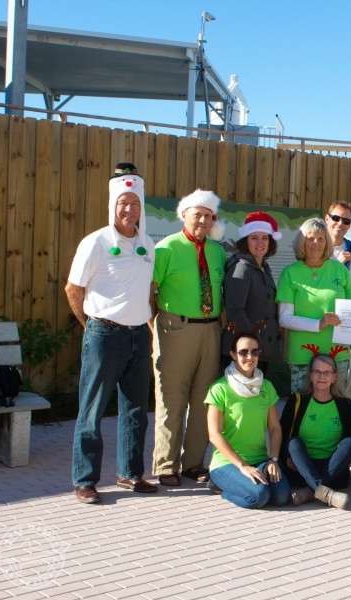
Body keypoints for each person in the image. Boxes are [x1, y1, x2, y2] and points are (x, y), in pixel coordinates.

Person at [65, 163, 157, 504]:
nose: (129, 209)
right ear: (113, 206)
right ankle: (85, 479)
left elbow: (148, 291)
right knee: (92, 409)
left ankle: (130, 474)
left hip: (138, 336)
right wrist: (91, 327)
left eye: (134, 203)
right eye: (123, 203)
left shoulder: (147, 244)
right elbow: (73, 289)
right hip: (105, 335)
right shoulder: (96, 243)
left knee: (135, 410)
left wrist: (146, 324)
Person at [151, 189, 227, 486]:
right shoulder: (166, 249)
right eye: (198, 215)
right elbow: (150, 291)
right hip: (175, 329)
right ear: (184, 215)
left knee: (203, 400)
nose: (204, 220)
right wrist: (155, 329)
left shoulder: (218, 251)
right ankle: (165, 464)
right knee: (171, 398)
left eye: (209, 216)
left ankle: (193, 462)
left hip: (211, 329)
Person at [205, 333, 289, 509]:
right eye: (243, 352)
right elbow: (214, 435)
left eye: (255, 352)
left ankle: (244, 484)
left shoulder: (266, 386)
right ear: (233, 355)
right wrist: (242, 466)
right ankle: (220, 487)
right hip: (228, 463)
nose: (249, 357)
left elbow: (275, 428)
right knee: (259, 497)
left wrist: (273, 459)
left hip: (259, 459)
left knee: (281, 497)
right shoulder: (219, 388)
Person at [277, 217, 351, 394]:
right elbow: (284, 318)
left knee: (336, 408)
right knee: (302, 410)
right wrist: (318, 324)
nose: (316, 243)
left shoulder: (340, 270)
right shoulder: (290, 273)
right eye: (310, 238)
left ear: (327, 241)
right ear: (301, 241)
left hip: (337, 353)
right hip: (302, 356)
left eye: (321, 238)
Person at [280, 354, 351, 510]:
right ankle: (325, 492)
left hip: (333, 471)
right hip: (302, 469)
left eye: (327, 372)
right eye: (317, 372)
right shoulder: (297, 401)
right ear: (310, 375)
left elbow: (350, 438)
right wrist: (284, 457)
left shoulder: (344, 404)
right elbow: (282, 435)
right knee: (293, 442)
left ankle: (311, 491)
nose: (322, 376)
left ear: (334, 376)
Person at [222, 211, 283, 373]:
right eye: (254, 238)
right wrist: (253, 344)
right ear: (245, 241)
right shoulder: (241, 268)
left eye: (264, 238)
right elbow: (235, 311)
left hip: (258, 351)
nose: (260, 243)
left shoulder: (263, 267)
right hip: (246, 353)